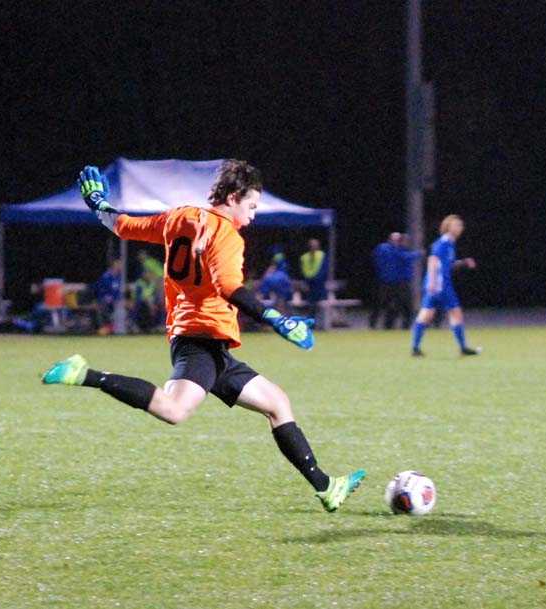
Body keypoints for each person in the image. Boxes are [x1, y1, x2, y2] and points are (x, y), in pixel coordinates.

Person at [41, 161, 364, 512]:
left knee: (276, 402)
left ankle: (326, 486)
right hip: (201, 338)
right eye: (252, 206)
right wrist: (277, 318)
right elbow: (228, 286)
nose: (254, 215)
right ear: (234, 196)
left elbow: (122, 226)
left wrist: (99, 204)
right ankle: (86, 373)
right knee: (174, 410)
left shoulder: (178, 217)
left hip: (204, 340)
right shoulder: (226, 234)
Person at [411, 215, 480, 357]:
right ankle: (463, 348)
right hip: (439, 285)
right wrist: (431, 281)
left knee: (428, 315)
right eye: (456, 225)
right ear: (448, 227)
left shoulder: (450, 244)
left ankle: (415, 348)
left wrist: (464, 262)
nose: (460, 228)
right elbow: (432, 260)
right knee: (452, 314)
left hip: (441, 284)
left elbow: (449, 264)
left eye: (460, 225)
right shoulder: (443, 242)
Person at [370, 232, 420, 329]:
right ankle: (382, 324)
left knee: (393, 306)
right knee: (386, 304)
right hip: (391, 282)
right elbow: (405, 256)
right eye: (396, 239)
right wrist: (419, 253)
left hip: (394, 282)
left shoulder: (395, 249)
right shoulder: (388, 249)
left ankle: (388, 325)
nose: (397, 242)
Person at [93, 258, 124, 334]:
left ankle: (115, 329)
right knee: (103, 305)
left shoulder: (119, 277)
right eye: (119, 264)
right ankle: (104, 328)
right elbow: (99, 290)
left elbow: (118, 291)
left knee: (120, 307)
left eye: (121, 264)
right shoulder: (106, 276)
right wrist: (106, 297)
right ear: (114, 265)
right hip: (105, 300)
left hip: (115, 301)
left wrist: (118, 299)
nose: (121, 266)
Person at [300, 238, 327, 318]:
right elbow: (303, 272)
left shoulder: (322, 255)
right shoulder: (304, 257)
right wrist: (307, 282)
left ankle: (315, 321)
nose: (313, 247)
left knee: (317, 302)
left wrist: (315, 279)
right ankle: (311, 321)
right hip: (309, 284)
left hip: (319, 285)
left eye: (315, 245)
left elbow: (324, 270)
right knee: (310, 303)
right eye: (312, 245)